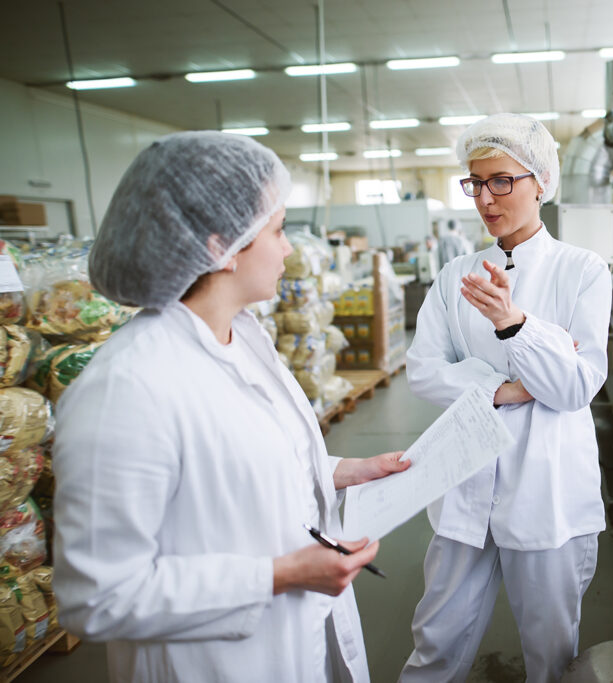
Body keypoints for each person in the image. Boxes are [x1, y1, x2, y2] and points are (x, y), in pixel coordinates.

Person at [52, 131, 409, 683]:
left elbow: (243, 469)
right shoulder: (125, 389)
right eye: (279, 229)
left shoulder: (242, 336)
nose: (290, 249)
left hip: (293, 642)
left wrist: (343, 472)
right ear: (222, 246)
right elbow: (98, 597)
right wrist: (281, 574)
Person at [401, 114, 612, 682]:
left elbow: (575, 386)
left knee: (551, 653)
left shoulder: (582, 271)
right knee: (436, 642)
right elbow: (421, 370)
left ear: (540, 180)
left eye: (502, 181)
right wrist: (504, 387)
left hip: (545, 492)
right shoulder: (454, 277)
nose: (486, 199)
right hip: (464, 483)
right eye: (475, 183)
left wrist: (515, 324)